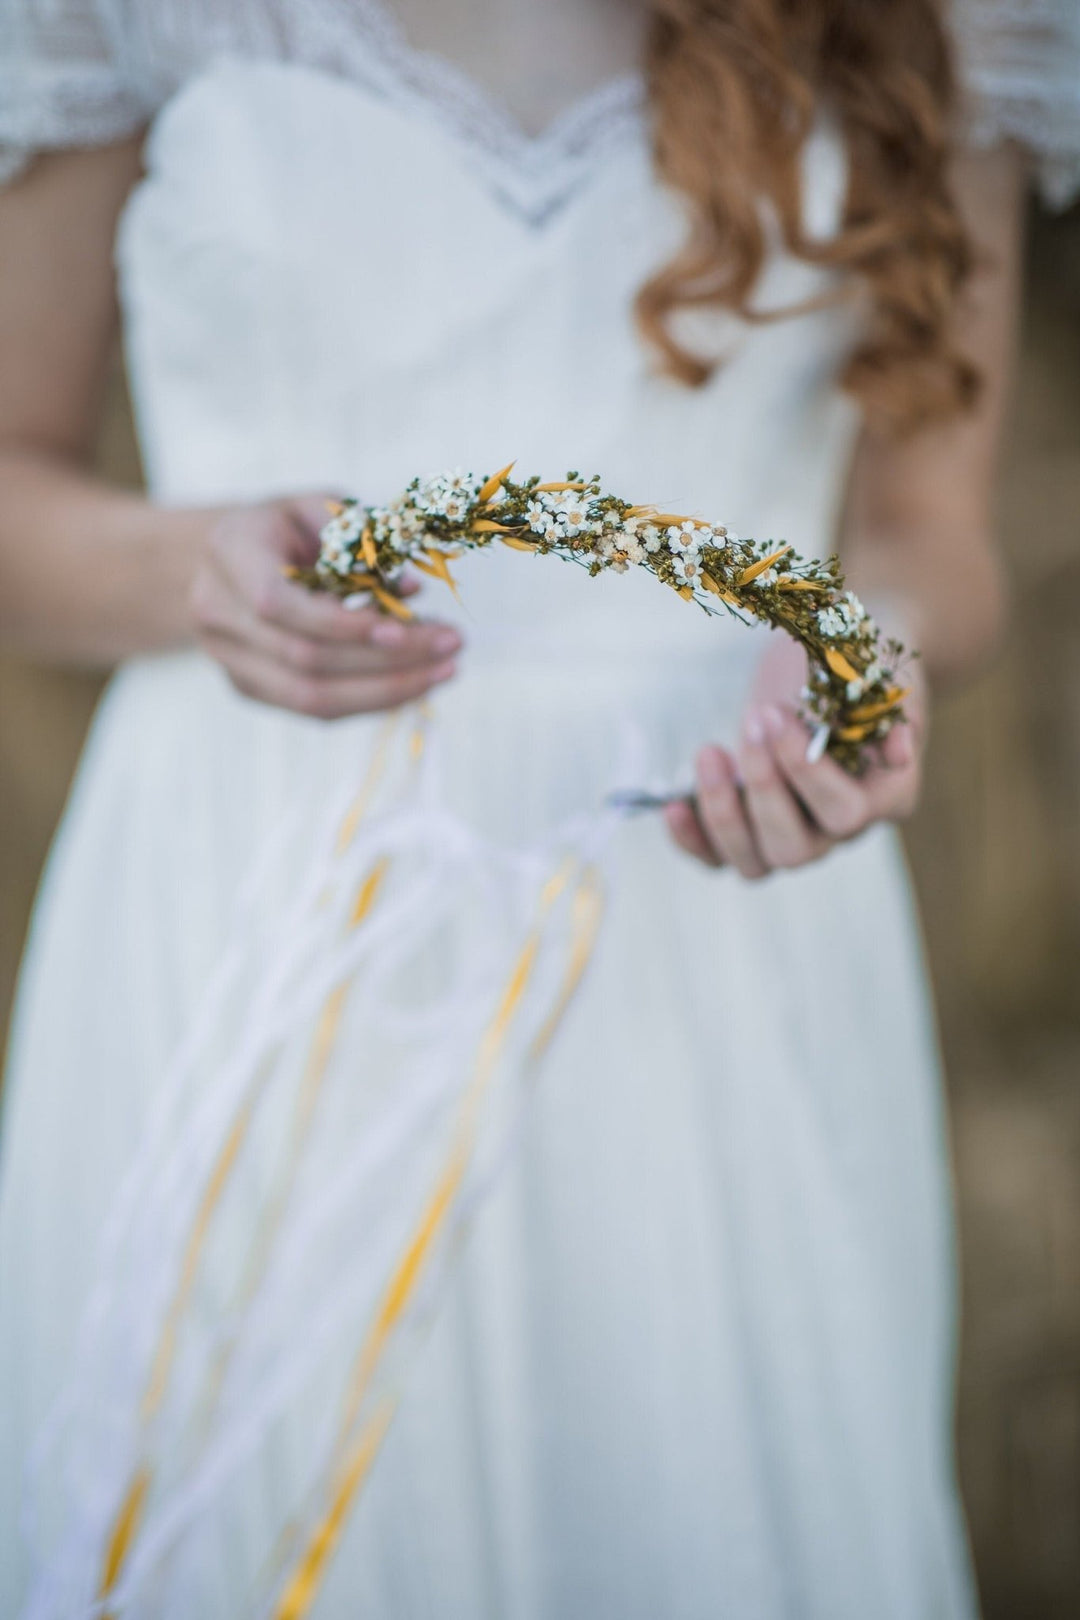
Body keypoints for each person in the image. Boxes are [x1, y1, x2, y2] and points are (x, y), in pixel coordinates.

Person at [0, 1, 1077, 1615]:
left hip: (707, 900)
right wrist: (190, 571)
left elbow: (935, 531)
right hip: (252, 888)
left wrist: (868, 661)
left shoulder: (939, 19)